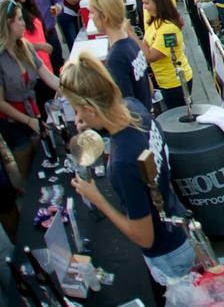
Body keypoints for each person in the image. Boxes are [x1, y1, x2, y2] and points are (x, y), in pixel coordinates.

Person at [60, 54, 196, 285]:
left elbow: (144, 237)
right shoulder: (134, 107)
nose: (78, 118)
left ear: (89, 108)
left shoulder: (123, 163)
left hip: (168, 253)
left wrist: (97, 198)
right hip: (180, 225)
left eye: (77, 110)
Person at [0, 0, 60, 180]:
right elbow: (0, 104)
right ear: (9, 24)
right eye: (19, 19)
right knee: (26, 165)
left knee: (41, 159)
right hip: (12, 122)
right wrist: (27, 121)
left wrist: (72, 89)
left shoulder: (25, 47)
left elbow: (49, 77)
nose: (24, 23)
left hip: (32, 113)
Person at [138, 0, 193, 109]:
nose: (144, 7)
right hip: (164, 81)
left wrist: (132, 35)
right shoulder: (155, 21)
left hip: (175, 83)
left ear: (157, 2)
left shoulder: (168, 29)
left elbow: (151, 56)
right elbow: (145, 43)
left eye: (147, 3)